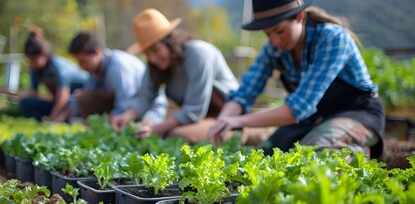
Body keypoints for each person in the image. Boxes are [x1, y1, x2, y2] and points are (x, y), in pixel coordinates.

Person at [208, 0, 385, 158]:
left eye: (280, 31)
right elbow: (244, 93)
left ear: (300, 16)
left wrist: (238, 121)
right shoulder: (273, 50)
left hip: (357, 112)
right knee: (267, 155)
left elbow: (298, 108)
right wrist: (223, 121)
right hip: (315, 118)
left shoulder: (333, 38)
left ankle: (359, 154)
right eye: (268, 34)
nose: (275, 41)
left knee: (316, 152)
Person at [110, 8, 240, 141]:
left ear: (170, 41)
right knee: (167, 134)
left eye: (155, 50)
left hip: (228, 118)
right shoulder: (156, 66)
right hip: (201, 121)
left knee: (177, 136)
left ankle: (240, 136)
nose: (152, 58)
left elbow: (194, 110)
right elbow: (144, 96)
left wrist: (156, 128)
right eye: (147, 54)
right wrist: (126, 116)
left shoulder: (198, 53)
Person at [67, 31, 167, 123]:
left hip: (147, 110)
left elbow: (126, 101)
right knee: (83, 98)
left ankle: (120, 125)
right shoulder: (95, 70)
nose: (81, 66)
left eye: (83, 62)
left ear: (97, 52)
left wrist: (115, 118)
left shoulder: (117, 66)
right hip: (127, 108)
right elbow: (88, 92)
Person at [19, 27, 89, 122]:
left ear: (44, 54)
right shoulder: (35, 69)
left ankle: (60, 120)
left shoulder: (58, 67)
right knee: (26, 103)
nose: (32, 62)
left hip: (76, 101)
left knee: (71, 102)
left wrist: (52, 118)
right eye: (29, 59)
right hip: (59, 103)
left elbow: (63, 97)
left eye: (34, 59)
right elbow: (34, 93)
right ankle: (40, 122)